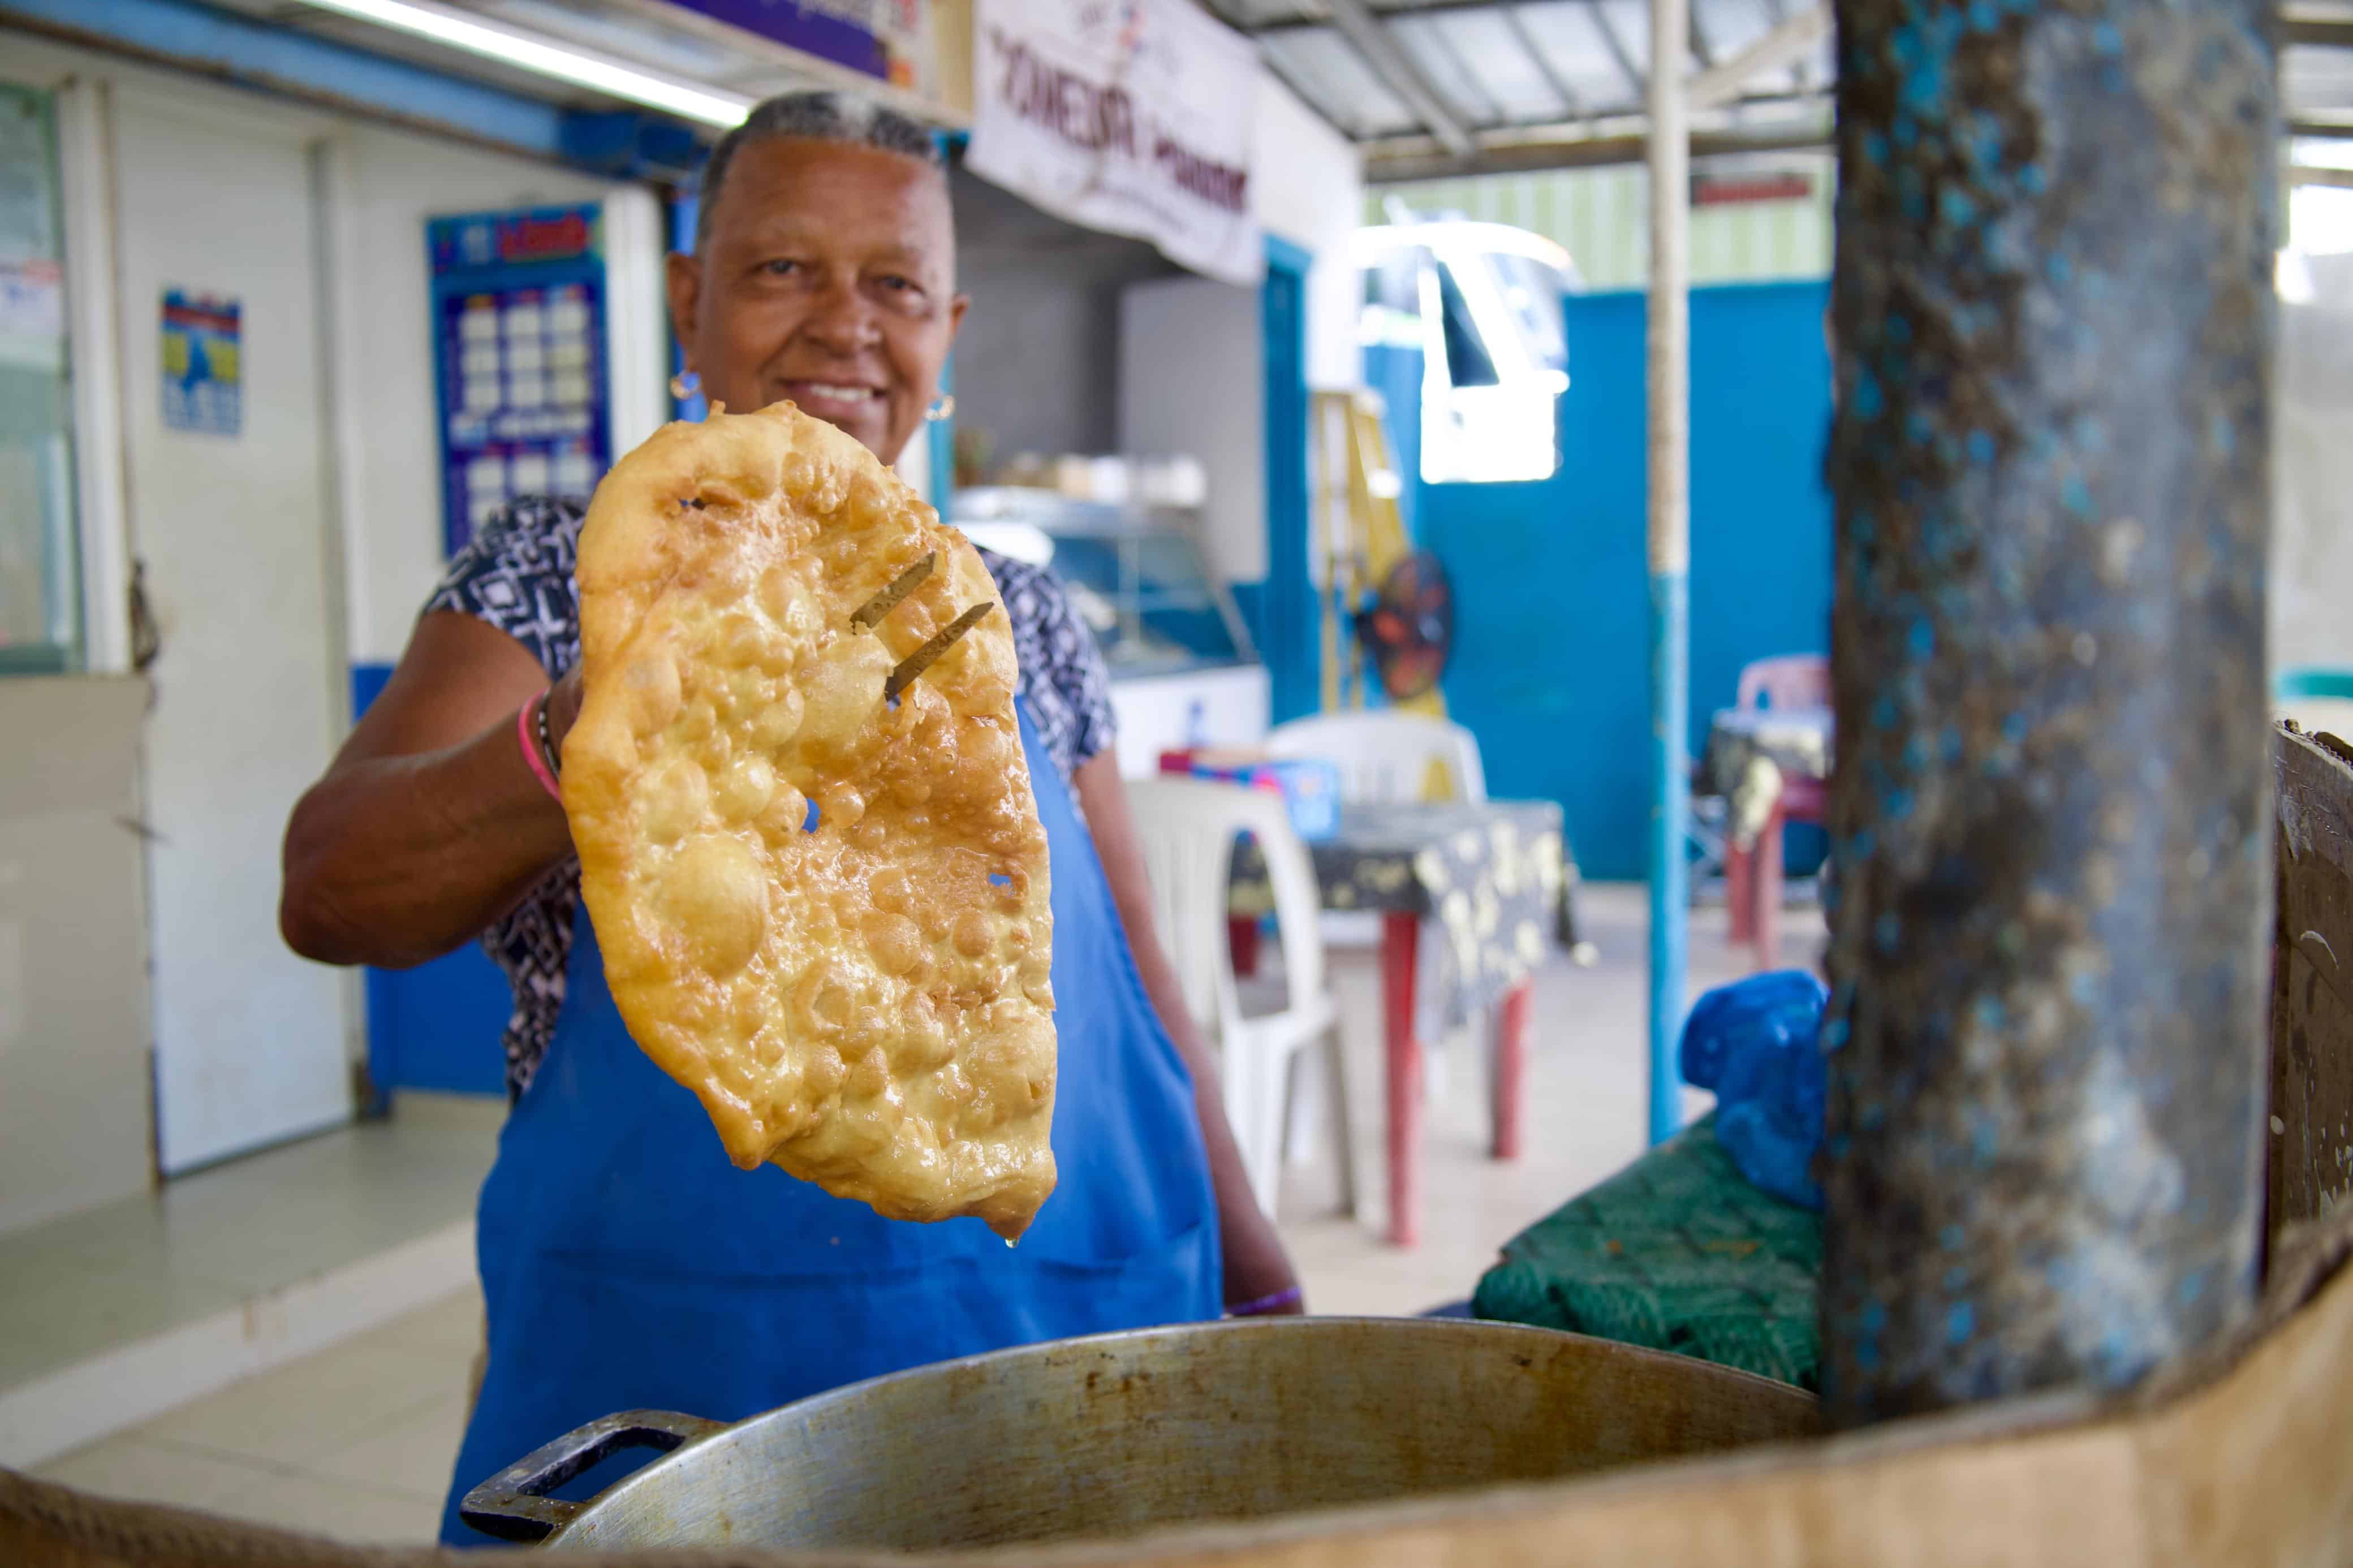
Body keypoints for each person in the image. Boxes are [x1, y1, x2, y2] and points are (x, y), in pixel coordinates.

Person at [277, 91, 1302, 1548]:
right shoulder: (555, 580)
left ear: (946, 325)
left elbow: (1135, 985)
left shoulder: (1021, 615)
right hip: (678, 1385)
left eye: (893, 283)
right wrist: (608, 717)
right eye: (781, 270)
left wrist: (1259, 1274)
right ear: (690, 301)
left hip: (1056, 1337)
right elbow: (330, 892)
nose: (846, 326)